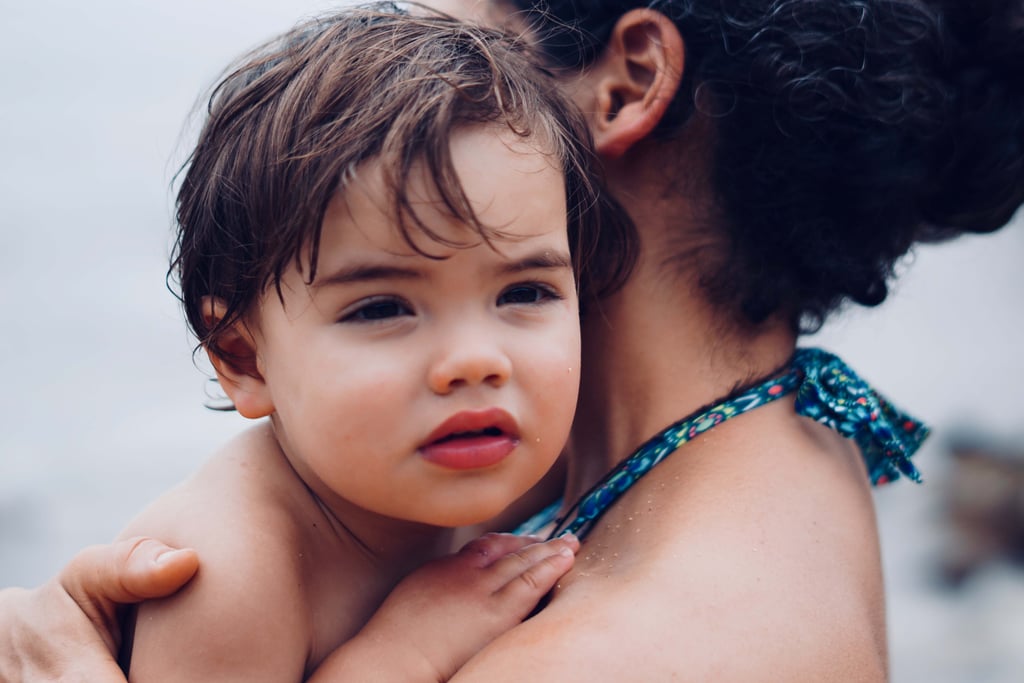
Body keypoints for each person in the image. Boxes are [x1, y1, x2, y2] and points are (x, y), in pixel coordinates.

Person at [3, 0, 1023, 680]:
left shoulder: (615, 646)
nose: (397, 35)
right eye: (379, 306)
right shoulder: (776, 446)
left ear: (624, 83)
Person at [3, 6, 637, 682]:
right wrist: (405, 651)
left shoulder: (486, 461)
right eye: (383, 307)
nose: (476, 360)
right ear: (245, 360)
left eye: (524, 293)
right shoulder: (228, 574)